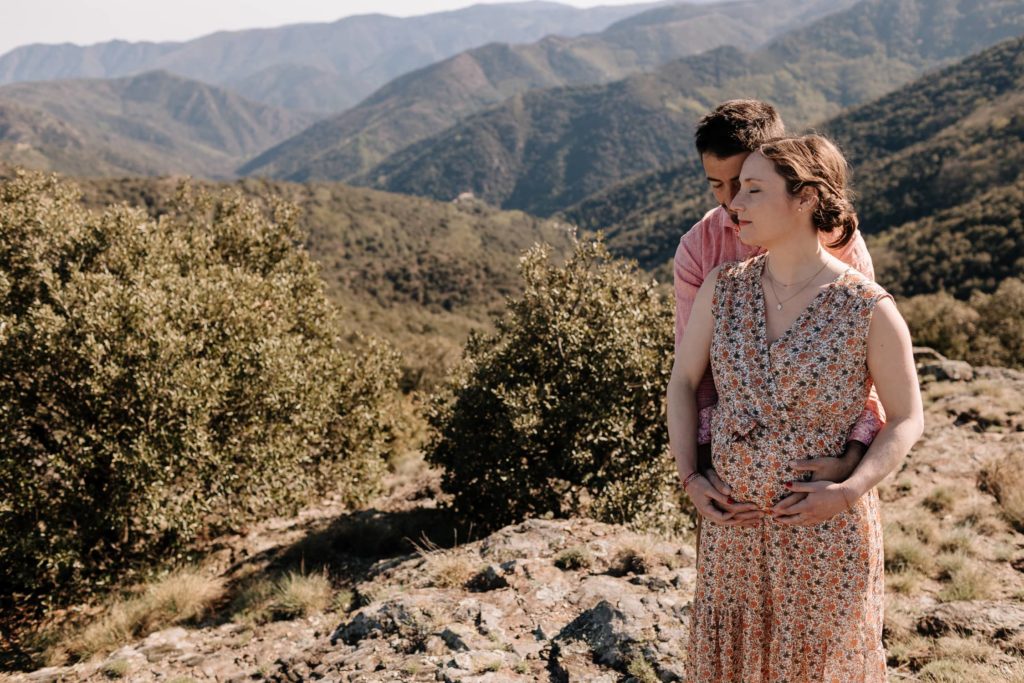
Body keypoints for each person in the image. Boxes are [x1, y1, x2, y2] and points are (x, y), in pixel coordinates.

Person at [667, 134, 924, 681]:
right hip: (733, 532)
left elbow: (907, 418)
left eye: (754, 190)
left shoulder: (868, 308)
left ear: (805, 198)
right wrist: (691, 477)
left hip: (824, 534)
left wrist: (849, 490)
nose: (735, 203)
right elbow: (682, 384)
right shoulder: (721, 288)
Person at [674, 100, 883, 543]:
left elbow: (867, 368)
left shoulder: (840, 243)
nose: (731, 201)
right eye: (717, 185)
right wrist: (700, 472)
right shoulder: (699, 250)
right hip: (734, 502)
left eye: (744, 184)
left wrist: (852, 461)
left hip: (820, 498)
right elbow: (695, 378)